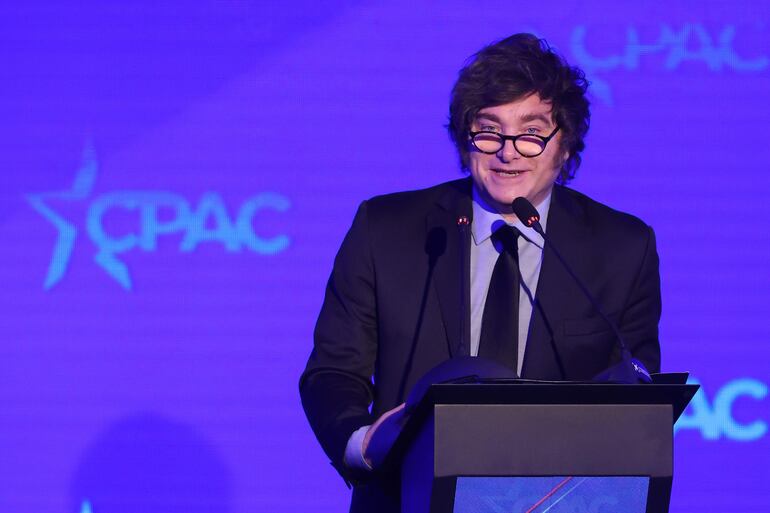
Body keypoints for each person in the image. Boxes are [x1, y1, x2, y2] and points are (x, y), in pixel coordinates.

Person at [300, 33, 661, 513]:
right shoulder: (385, 230)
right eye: (489, 130)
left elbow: (637, 393)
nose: (507, 152)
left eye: (531, 133)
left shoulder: (621, 248)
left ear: (564, 145)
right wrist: (361, 444)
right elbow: (332, 371)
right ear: (464, 137)